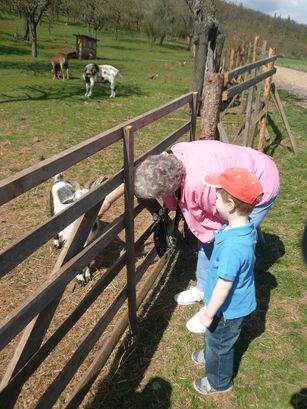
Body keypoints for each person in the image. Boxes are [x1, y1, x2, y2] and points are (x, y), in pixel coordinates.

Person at [99, 140, 280, 332]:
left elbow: (221, 225)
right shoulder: (169, 158)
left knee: (228, 252)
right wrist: (109, 199)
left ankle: (216, 311)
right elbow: (139, 173)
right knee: (208, 240)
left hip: (258, 184)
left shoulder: (203, 188)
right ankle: (203, 287)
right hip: (238, 173)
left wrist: (217, 238)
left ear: (168, 190)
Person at [192, 167, 262, 395]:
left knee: (221, 344)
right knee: (214, 338)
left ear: (230, 205)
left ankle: (219, 381)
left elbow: (224, 287)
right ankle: (209, 354)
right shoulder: (244, 227)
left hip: (227, 309)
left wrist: (208, 313)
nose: (213, 200)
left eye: (217, 197)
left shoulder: (234, 247)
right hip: (226, 306)